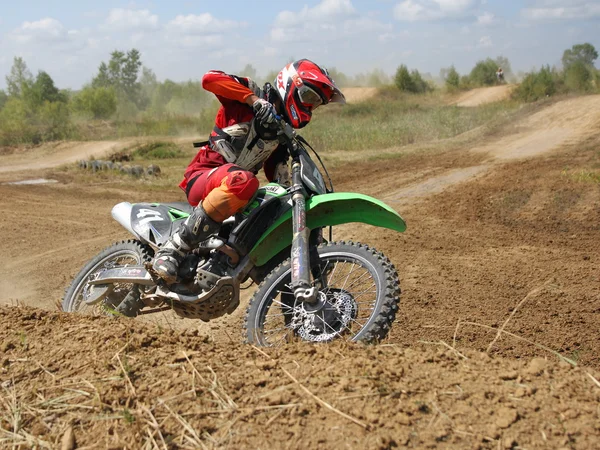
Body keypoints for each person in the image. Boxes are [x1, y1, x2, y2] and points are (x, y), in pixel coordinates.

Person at [152, 59, 346, 283]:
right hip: (202, 177)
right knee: (246, 181)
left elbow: (275, 171)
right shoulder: (251, 93)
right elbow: (210, 79)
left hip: (232, 191)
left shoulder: (280, 132)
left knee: (276, 205)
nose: (309, 107)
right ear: (292, 85)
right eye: (309, 98)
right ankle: (173, 249)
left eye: (315, 104)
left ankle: (293, 308)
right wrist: (254, 101)